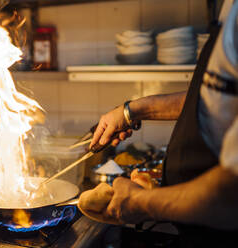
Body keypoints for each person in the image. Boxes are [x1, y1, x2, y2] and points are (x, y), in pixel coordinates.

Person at [78, 0, 238, 246]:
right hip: (196, 230)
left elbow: (231, 194)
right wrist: (130, 112)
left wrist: (140, 203)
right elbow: (211, 97)